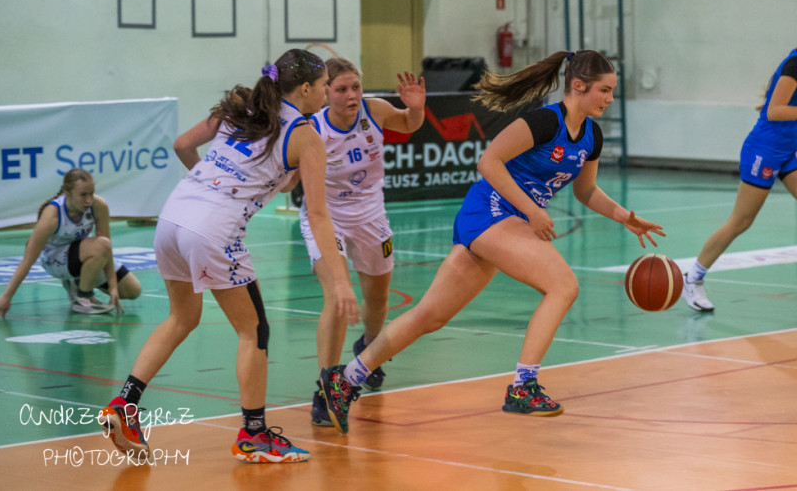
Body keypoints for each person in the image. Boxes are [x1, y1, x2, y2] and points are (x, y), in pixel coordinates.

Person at [317, 50, 665, 434]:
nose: (609, 99)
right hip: (491, 211)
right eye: (605, 90)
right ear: (578, 86)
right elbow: (488, 162)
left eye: (612, 92)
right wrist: (532, 210)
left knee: (429, 316)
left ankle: (345, 380)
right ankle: (523, 385)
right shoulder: (544, 121)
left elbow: (586, 191)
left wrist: (624, 216)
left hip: (503, 221)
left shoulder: (591, 136)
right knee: (563, 285)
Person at [98, 49, 353, 464]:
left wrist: (220, 182)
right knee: (255, 331)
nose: (327, 92)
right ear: (306, 88)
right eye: (325, 85)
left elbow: (183, 145)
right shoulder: (306, 133)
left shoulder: (245, 107)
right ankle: (254, 435)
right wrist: (341, 282)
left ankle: (125, 405)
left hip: (173, 217)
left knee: (182, 317)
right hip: (211, 230)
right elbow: (319, 214)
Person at [682, 15, 797, 316]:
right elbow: (775, 110)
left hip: (789, 149)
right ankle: (693, 278)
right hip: (763, 150)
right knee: (740, 222)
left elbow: (793, 99)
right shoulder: (796, 64)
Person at [303, 59, 425, 427]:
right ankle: (326, 388)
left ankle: (367, 352)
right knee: (338, 299)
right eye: (341, 89)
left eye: (355, 86)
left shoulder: (374, 109)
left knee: (378, 296)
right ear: (326, 93)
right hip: (327, 218)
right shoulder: (313, 129)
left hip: (371, 216)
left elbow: (407, 123)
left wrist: (416, 108)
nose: (351, 95)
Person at [0, 168, 142, 318]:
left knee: (132, 290)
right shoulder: (52, 215)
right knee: (100, 245)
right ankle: (83, 297)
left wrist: (113, 287)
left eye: (91, 193)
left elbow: (107, 249)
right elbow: (28, 260)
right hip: (55, 260)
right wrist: (6, 296)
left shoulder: (98, 206)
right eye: (82, 195)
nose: (88, 200)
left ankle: (79, 281)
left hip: (85, 255)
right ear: (67, 193)